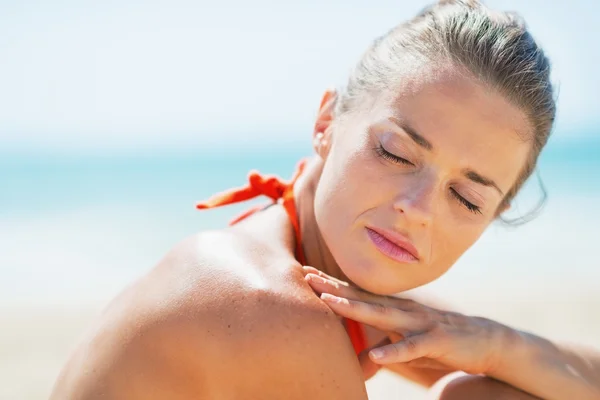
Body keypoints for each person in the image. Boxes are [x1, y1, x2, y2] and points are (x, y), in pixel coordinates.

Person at [50, 1, 600, 399]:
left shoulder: (327, 268)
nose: (420, 206)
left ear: (497, 212)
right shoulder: (269, 308)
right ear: (326, 122)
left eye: (465, 196)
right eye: (396, 153)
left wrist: (503, 347)